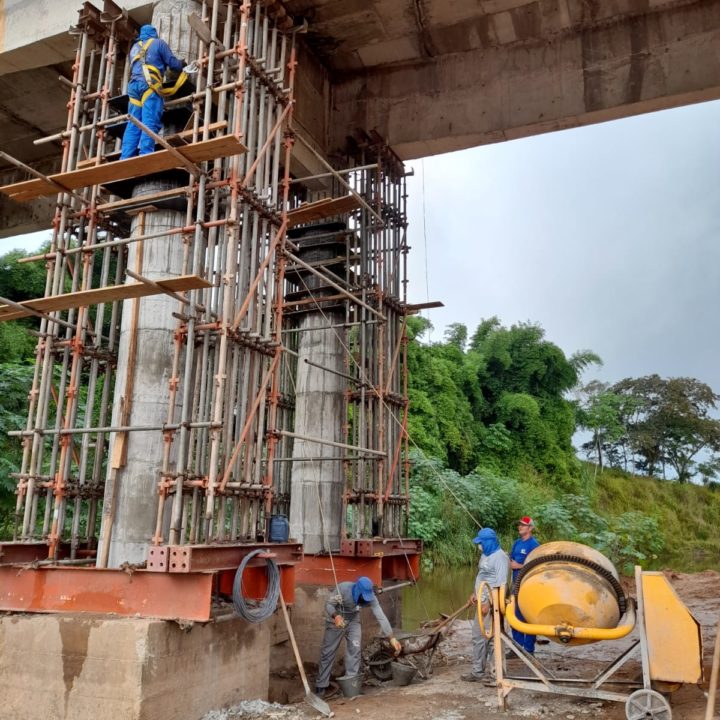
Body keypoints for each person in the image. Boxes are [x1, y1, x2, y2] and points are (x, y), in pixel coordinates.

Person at [315, 576, 402, 697]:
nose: (365, 601)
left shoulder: (371, 597)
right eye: (363, 597)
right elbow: (329, 605)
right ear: (357, 591)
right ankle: (321, 686)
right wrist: (336, 616)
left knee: (354, 650)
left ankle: (351, 685)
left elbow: (381, 616)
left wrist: (391, 638)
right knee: (328, 652)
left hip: (353, 621)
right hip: (336, 621)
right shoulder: (343, 589)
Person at [120, 25, 186, 159]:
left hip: (133, 88)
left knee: (133, 123)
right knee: (149, 121)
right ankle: (145, 154)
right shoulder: (158, 43)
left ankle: (125, 157)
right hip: (149, 85)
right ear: (154, 34)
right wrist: (183, 65)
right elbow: (173, 64)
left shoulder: (134, 48)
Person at [462, 527, 510, 682]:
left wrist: (489, 604)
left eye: (481, 543)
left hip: (491, 605)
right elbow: (481, 577)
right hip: (480, 601)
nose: (479, 546)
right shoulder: (485, 555)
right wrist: (474, 594)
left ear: (489, 542)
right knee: (478, 636)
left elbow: (501, 584)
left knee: (491, 639)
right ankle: (478, 671)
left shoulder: (500, 558)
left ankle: (496, 673)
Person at [508, 515, 541, 656]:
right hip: (515, 584)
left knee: (528, 616)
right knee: (514, 615)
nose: (520, 527)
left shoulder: (535, 546)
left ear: (531, 528)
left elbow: (538, 567)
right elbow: (511, 559)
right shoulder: (516, 543)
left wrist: (519, 566)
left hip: (528, 587)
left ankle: (528, 650)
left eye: (524, 525)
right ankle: (516, 648)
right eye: (519, 525)